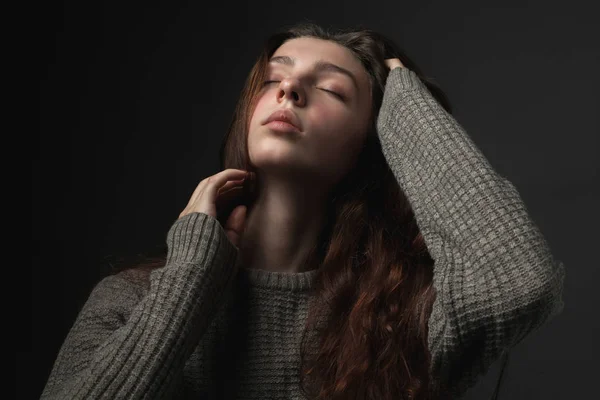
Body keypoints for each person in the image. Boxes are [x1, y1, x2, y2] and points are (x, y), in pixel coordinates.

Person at [40, 22, 565, 400]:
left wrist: (404, 96)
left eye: (332, 88)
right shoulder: (130, 300)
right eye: (273, 79)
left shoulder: (399, 318)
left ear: (375, 137)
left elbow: (519, 284)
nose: (290, 88)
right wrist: (192, 278)